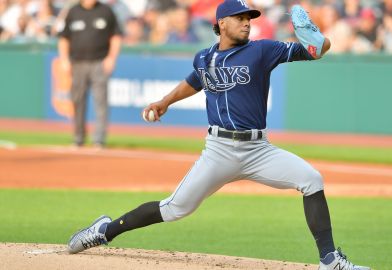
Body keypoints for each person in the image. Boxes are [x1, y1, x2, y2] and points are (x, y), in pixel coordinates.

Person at [66, 1, 370, 270]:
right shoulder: (204, 57)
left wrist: (315, 35)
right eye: (240, 17)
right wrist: (164, 102)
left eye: (249, 17)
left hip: (258, 150)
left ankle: (329, 261)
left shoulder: (262, 50)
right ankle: (104, 231)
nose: (247, 22)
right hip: (219, 151)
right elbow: (194, 82)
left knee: (311, 179)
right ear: (221, 23)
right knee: (173, 209)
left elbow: (316, 51)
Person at [58, 0, 122, 148]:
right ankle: (78, 137)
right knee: (77, 100)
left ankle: (99, 139)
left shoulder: (106, 11)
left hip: (99, 61)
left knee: (101, 101)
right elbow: (64, 38)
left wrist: (112, 58)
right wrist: (64, 59)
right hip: (77, 63)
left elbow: (116, 36)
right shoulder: (73, 11)